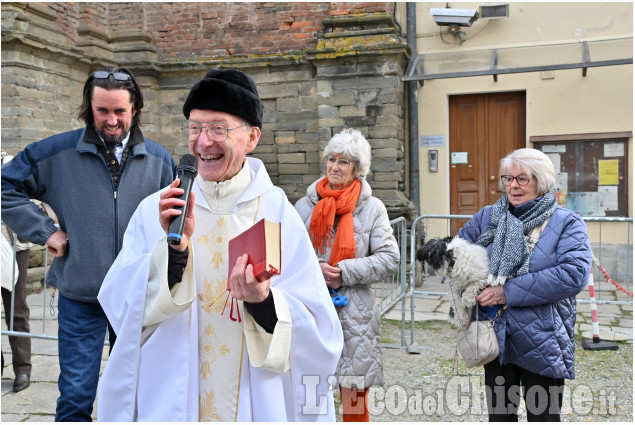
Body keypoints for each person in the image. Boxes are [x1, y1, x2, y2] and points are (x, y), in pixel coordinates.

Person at [96, 68, 343, 422]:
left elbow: (319, 330)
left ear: (252, 137)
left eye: (218, 129)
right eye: (195, 128)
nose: (202, 142)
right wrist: (172, 259)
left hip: (254, 397)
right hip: (171, 396)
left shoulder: (276, 213)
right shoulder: (159, 210)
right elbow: (121, 306)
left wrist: (264, 301)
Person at [1, 68, 176, 421]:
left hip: (138, 298)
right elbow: (5, 187)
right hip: (82, 297)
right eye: (102, 111)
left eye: (120, 112)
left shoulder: (160, 160)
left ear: (136, 109)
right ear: (89, 108)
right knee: (76, 396)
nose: (112, 120)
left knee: (143, 393)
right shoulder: (55, 152)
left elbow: (181, 217)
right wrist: (45, 230)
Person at [456, 148, 592, 421]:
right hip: (497, 335)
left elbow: (572, 274)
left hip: (544, 338)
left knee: (543, 416)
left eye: (522, 179)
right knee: (501, 416)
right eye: (508, 178)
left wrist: (506, 292)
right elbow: (457, 251)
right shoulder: (487, 217)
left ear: (541, 182)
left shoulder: (567, 223)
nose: (513, 186)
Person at [294, 128, 400, 422]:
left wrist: (343, 273)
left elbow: (390, 258)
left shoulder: (372, 208)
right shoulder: (303, 206)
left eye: (343, 162)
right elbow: (286, 256)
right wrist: (314, 269)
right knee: (311, 400)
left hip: (354, 316)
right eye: (330, 159)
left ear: (358, 169)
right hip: (311, 310)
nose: (334, 167)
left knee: (354, 404)